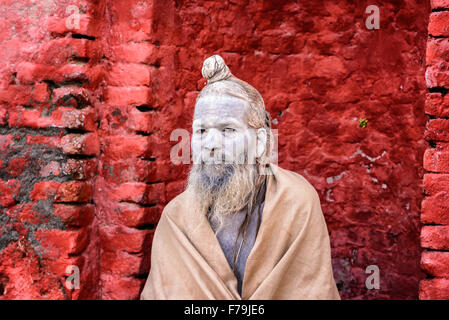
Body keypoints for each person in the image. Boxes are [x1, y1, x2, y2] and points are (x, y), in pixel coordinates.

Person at [140, 55, 340, 300]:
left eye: (228, 130)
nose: (211, 144)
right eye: (201, 130)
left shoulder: (297, 203)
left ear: (261, 142)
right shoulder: (176, 219)